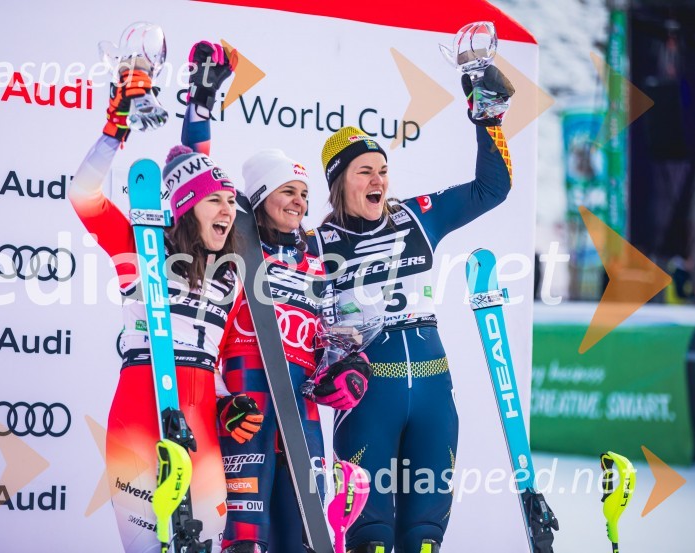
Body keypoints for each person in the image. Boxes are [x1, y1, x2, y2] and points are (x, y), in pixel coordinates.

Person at [308, 66, 515, 553]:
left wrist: (488, 122)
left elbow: (493, 189)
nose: (379, 179)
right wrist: (323, 373)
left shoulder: (416, 215)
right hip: (367, 398)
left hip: (432, 392)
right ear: (340, 182)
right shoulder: (315, 244)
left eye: (383, 169)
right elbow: (301, 335)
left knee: (424, 536)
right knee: (370, 535)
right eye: (366, 171)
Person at [181, 42, 372, 553]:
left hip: (300, 395)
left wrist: (342, 368)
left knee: (305, 530)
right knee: (246, 534)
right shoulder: (237, 234)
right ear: (261, 197)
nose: (299, 202)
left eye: (304, 194)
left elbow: (328, 329)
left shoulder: (314, 254)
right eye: (288, 191)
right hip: (245, 387)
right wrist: (200, 102)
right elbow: (197, 175)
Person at [69, 56, 255, 552]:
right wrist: (115, 128)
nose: (228, 210)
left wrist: (226, 402)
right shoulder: (137, 248)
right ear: (186, 207)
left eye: (232, 202)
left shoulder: (232, 276)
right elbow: (83, 195)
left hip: (201, 423)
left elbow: (220, 361)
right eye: (215, 200)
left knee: (205, 546)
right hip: (139, 409)